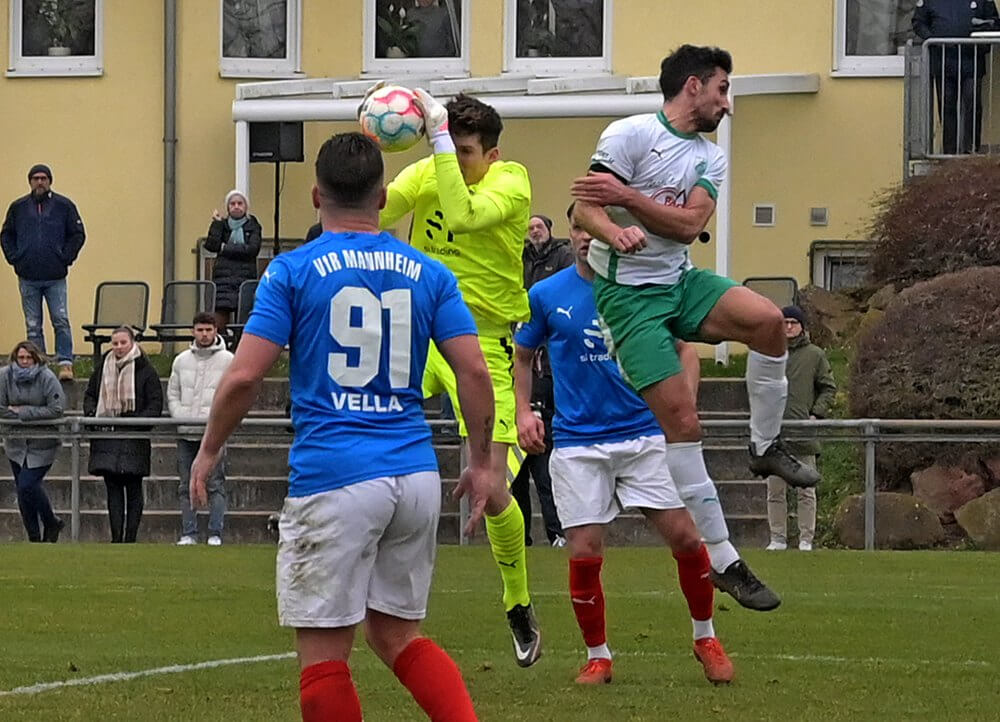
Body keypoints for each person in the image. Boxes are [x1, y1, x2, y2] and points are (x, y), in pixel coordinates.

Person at [190, 132, 490, 722]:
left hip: (336, 472)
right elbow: (474, 371)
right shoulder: (429, 273)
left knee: (325, 654)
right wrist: (481, 461)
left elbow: (244, 377)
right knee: (396, 636)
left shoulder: (293, 271)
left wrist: (208, 450)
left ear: (314, 194)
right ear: (382, 197)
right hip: (414, 473)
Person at [570, 48, 821, 591]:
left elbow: (688, 227)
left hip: (680, 281)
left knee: (769, 322)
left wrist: (628, 198)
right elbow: (584, 210)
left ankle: (763, 445)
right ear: (693, 86)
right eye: (722, 90)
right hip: (627, 298)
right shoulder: (628, 134)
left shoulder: (711, 156)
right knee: (684, 425)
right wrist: (614, 231)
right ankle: (726, 559)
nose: (727, 104)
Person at [515, 203, 742, 685]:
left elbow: (685, 350)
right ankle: (598, 656)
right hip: (578, 443)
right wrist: (521, 411)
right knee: (582, 549)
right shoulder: (545, 294)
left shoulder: (646, 287)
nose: (584, 236)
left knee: (685, 537)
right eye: (576, 226)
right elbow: (523, 355)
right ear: (571, 233)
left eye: (592, 227)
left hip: (643, 435)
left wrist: (684, 404)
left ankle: (706, 637)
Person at [378, 89, 542, 666]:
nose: (458, 158)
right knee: (364, 430)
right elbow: (373, 211)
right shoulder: (431, 167)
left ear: (491, 155)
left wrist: (439, 143)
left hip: (483, 343)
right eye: (454, 146)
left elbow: (467, 216)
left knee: (493, 487)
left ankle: (517, 600)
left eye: (468, 150)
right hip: (420, 336)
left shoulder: (511, 182)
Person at [512, 212, 573, 547]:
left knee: (543, 463)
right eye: (530, 227)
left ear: (550, 231)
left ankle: (556, 530)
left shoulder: (561, 257)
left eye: (539, 226)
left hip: (548, 372)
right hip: (522, 359)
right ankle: (521, 535)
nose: (534, 231)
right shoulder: (519, 259)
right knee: (516, 470)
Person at [1, 164, 86, 381]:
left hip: (55, 277)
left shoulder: (64, 206)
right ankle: (38, 366)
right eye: (36, 178)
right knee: (32, 325)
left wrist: (65, 257)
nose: (40, 182)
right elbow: (6, 235)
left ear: (50, 181)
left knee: (60, 319)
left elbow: (77, 234)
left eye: (44, 178)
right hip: (28, 277)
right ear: (30, 181)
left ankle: (65, 363)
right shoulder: (18, 208)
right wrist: (15, 258)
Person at [766, 306, 837, 552]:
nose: (788, 327)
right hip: (774, 435)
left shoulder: (815, 355)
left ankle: (806, 539)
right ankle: (777, 538)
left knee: (806, 491)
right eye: (784, 322)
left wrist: (817, 413)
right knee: (775, 491)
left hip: (803, 433)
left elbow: (828, 387)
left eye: (793, 323)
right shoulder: (770, 353)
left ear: (802, 326)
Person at [84, 326, 163, 543]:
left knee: (134, 488)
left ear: (133, 342)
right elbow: (90, 395)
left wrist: (136, 423)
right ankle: (116, 537)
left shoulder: (146, 370)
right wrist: (93, 415)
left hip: (134, 436)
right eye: (115, 343)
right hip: (107, 436)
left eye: (123, 343)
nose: (118, 347)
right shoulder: (102, 368)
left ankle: (131, 537)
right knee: (113, 489)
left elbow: (155, 403)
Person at [167, 313, 234, 546]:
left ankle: (215, 533)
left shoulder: (228, 360)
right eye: (200, 330)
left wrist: (218, 421)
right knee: (186, 484)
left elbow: (233, 395)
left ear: (216, 331)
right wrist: (180, 416)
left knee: (215, 484)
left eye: (208, 330)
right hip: (185, 433)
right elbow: (173, 393)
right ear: (192, 331)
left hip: (213, 433)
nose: (204, 334)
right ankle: (189, 533)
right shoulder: (181, 360)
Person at [913, 0, 999, 154]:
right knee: (947, 106)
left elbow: (994, 23)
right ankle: (949, 152)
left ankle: (970, 150)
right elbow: (919, 23)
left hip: (971, 60)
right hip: (943, 61)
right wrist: (933, 39)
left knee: (972, 104)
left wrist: (982, 34)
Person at [0, 341, 65, 542]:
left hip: (42, 443)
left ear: (36, 358)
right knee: (22, 493)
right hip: (15, 443)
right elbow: (1, 408)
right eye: (21, 358)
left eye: (29, 358)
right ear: (15, 358)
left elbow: (56, 408)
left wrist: (23, 412)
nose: (25, 361)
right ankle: (34, 538)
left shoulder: (47, 377)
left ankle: (51, 521)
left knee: (27, 485)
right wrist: (19, 415)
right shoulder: (4, 376)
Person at [205, 190, 263, 331]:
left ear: (246, 207)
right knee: (219, 323)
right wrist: (217, 224)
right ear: (228, 207)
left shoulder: (253, 225)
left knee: (243, 324)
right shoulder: (222, 225)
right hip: (223, 282)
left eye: (240, 203)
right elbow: (212, 245)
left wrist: (224, 248)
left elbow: (252, 250)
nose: (236, 206)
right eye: (232, 204)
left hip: (244, 280)